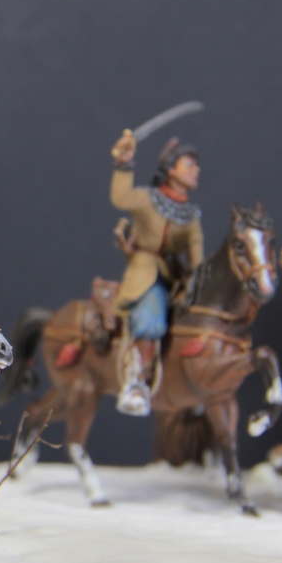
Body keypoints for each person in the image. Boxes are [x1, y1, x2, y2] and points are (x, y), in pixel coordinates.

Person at [109, 131, 203, 416]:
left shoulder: (191, 215)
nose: (196, 170)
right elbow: (121, 197)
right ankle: (135, 382)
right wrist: (125, 164)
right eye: (189, 164)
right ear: (171, 170)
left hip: (174, 276)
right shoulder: (148, 199)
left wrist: (198, 280)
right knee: (151, 313)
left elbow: (196, 253)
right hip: (144, 272)